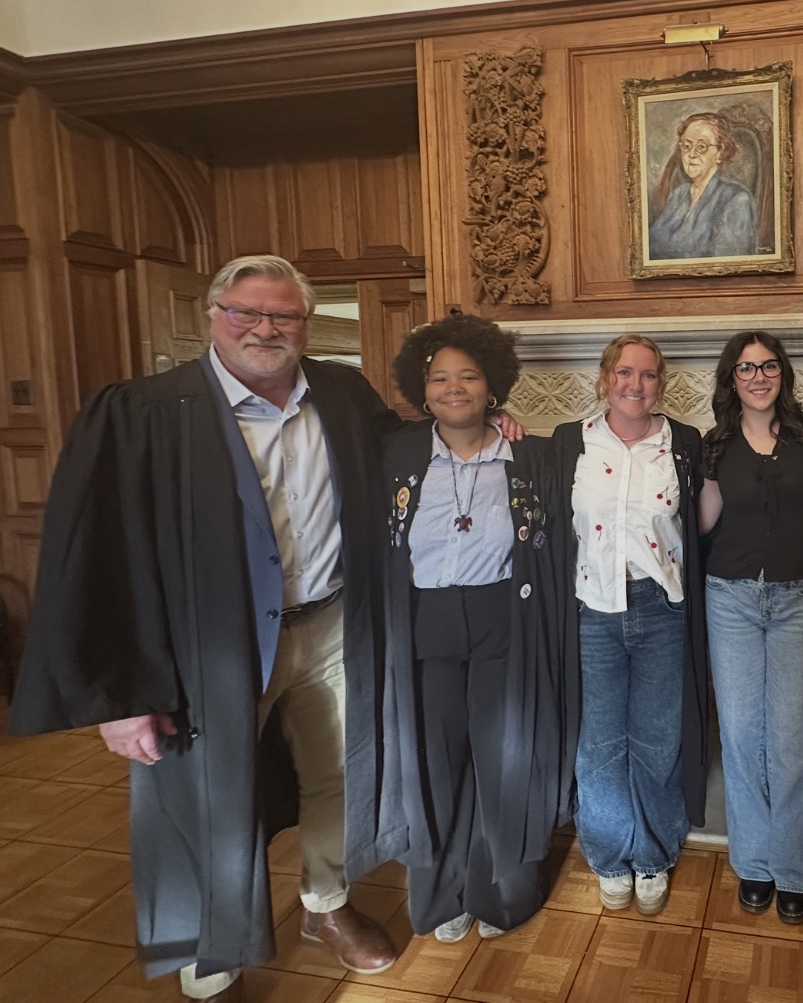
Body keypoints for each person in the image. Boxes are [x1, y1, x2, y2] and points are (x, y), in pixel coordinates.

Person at [8, 255, 399, 1002]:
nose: (264, 328)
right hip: (205, 653)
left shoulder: (343, 394)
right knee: (201, 799)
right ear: (212, 316)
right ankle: (209, 959)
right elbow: (103, 557)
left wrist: (488, 423)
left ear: (305, 323)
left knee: (342, 776)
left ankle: (326, 901)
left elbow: (406, 466)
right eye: (245, 312)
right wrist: (124, 695)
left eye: (283, 315)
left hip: (331, 626)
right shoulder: (143, 414)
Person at [377, 314, 577, 943]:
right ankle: (442, 896)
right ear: (422, 388)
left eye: (468, 376)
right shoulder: (395, 454)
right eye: (440, 378)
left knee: (505, 759)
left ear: (493, 387)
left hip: (504, 622)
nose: (454, 388)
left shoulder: (532, 456)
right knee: (435, 762)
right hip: (424, 626)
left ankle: (502, 892)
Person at [552, 335, 708, 915]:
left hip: (661, 607)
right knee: (598, 742)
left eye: (646, 375)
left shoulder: (682, 444)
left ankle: (654, 853)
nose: (634, 385)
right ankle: (610, 855)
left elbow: (698, 525)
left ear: (660, 383)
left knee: (657, 738)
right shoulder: (570, 441)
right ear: (604, 378)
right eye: (624, 372)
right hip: (592, 607)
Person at [699, 331, 803, 924]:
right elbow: (703, 524)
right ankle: (753, 861)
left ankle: (795, 867)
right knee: (742, 735)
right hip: (731, 600)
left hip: (801, 599)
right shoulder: (715, 445)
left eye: (768, 366)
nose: (758, 377)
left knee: (794, 739)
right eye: (746, 368)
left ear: (783, 373)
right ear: (732, 378)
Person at [648, 112, 758, 260]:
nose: (691, 154)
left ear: (720, 152)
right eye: (687, 146)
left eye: (701, 146)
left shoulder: (736, 199)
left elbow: (729, 265)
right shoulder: (678, 195)